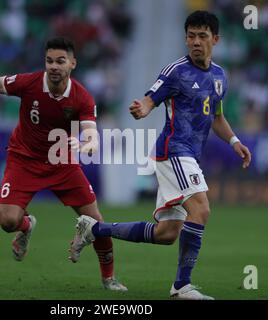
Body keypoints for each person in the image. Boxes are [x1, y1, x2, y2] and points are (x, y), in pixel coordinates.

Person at [70, 11, 252, 299]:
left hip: (189, 155)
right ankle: (182, 286)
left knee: (167, 233)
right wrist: (143, 108)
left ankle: (94, 228)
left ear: (215, 40)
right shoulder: (175, 71)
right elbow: (150, 98)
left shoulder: (219, 76)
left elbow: (216, 116)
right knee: (201, 209)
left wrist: (234, 141)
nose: (195, 42)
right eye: (190, 36)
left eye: (202, 36)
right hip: (173, 151)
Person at [0, 37, 127, 291]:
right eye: (49, 61)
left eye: (60, 61)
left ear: (72, 63)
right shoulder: (29, 83)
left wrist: (88, 144)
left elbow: (91, 132)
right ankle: (26, 225)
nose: (54, 66)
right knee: (7, 221)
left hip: (61, 162)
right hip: (23, 159)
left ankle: (108, 278)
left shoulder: (82, 97)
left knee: (97, 222)